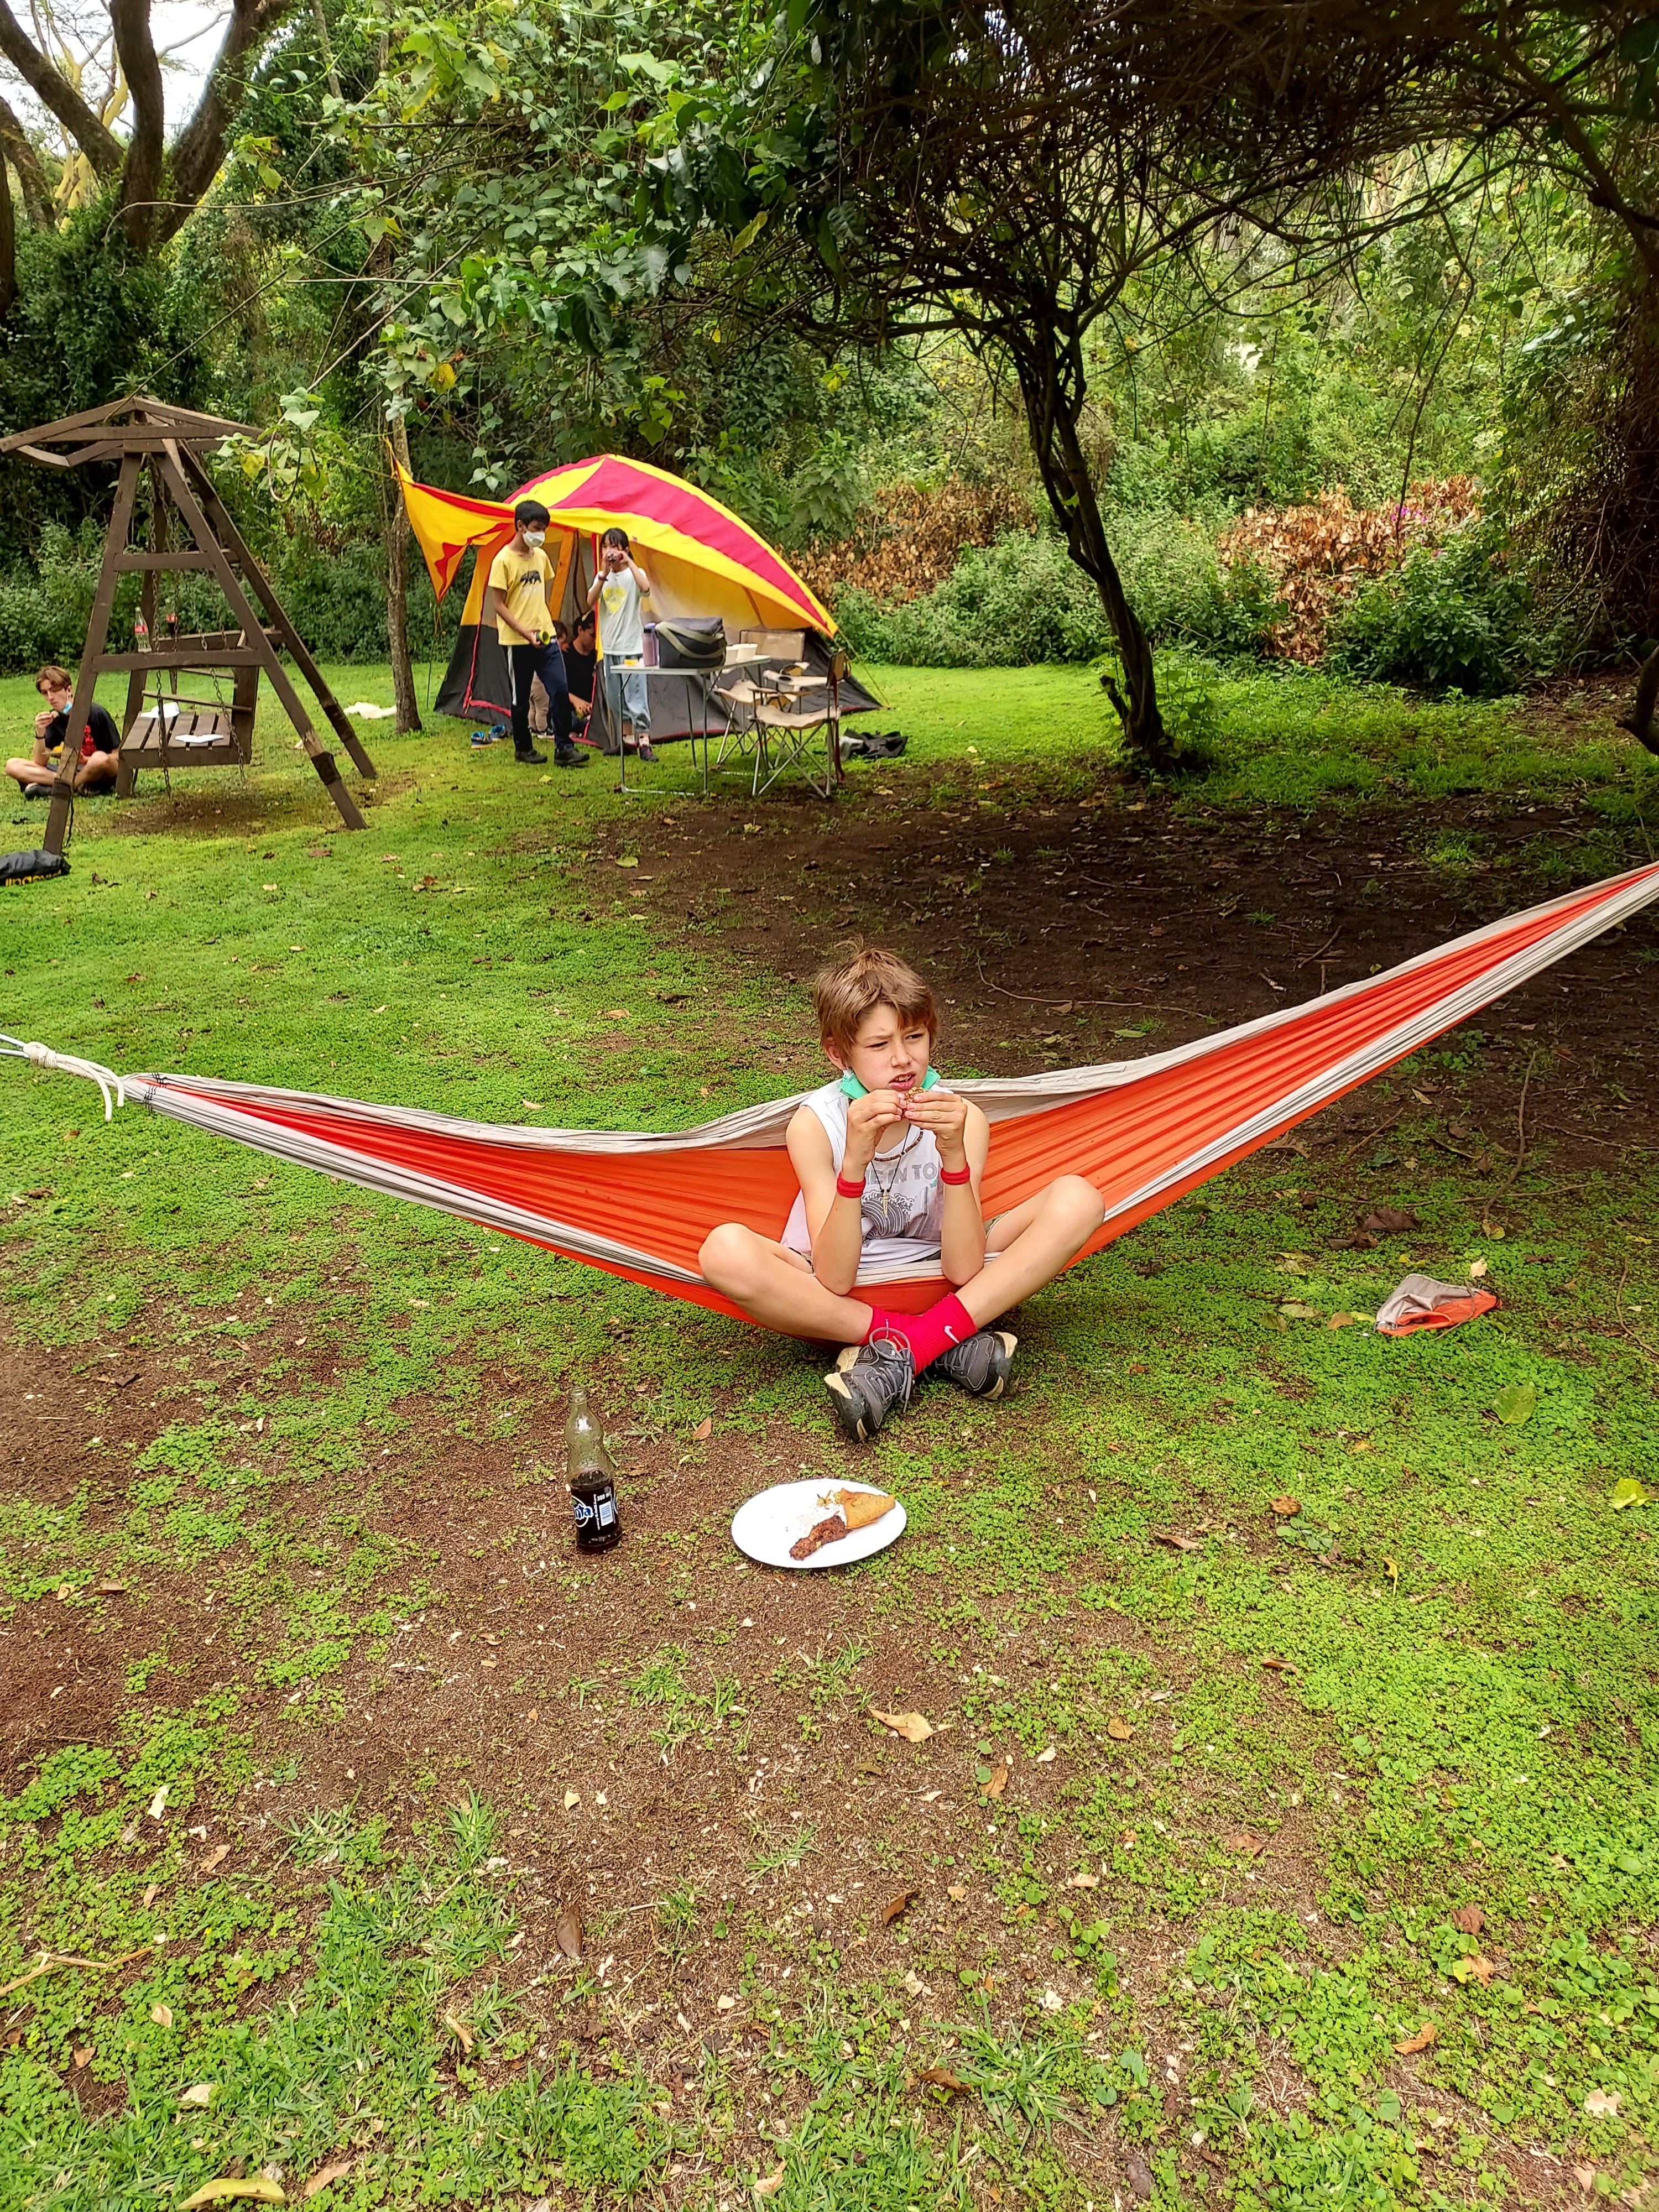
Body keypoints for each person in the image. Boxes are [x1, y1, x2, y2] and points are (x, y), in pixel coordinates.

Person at [697, 946, 1106, 1441]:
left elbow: (964, 1268)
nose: (902, 1059)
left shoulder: (962, 1117)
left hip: (944, 1277)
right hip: (838, 1294)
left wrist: (954, 1155)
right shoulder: (816, 1125)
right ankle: (937, 1341)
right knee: (723, 1251)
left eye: (914, 1037)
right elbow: (834, 1277)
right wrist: (854, 1163)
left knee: (1079, 1199)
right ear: (838, 1053)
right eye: (879, 1045)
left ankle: (909, 1346)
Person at [483, 501, 586, 770]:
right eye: (537, 528)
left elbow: (541, 595)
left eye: (544, 529)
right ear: (521, 526)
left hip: (546, 637)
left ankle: (564, 748)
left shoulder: (540, 557)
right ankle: (524, 748)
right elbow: (498, 604)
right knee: (521, 699)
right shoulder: (503, 561)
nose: (541, 534)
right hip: (517, 642)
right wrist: (524, 631)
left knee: (559, 689)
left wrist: (545, 626)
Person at [587, 526, 653, 763]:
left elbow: (646, 588)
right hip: (610, 648)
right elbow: (590, 601)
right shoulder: (602, 577)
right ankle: (627, 741)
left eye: (614, 547)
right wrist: (604, 573)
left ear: (624, 549)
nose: (609, 552)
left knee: (636, 696)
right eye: (605, 547)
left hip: (632, 648)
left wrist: (629, 562)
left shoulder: (635, 574)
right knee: (616, 698)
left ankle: (644, 741)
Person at [4, 665, 120, 798]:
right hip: (71, 770)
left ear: (69, 690)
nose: (50, 697)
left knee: (99, 758)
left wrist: (84, 760)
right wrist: (40, 732)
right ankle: (71, 785)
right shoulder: (54, 718)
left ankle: (63, 786)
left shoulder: (96, 713)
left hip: (100, 770)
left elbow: (118, 756)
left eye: (54, 690)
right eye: (45, 693)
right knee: (12, 765)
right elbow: (40, 762)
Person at [564, 610, 598, 742]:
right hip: (570, 710)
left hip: (591, 710)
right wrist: (575, 701)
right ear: (580, 630)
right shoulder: (566, 654)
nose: (594, 641)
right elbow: (555, 688)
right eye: (592, 636)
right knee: (571, 720)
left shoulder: (597, 657)